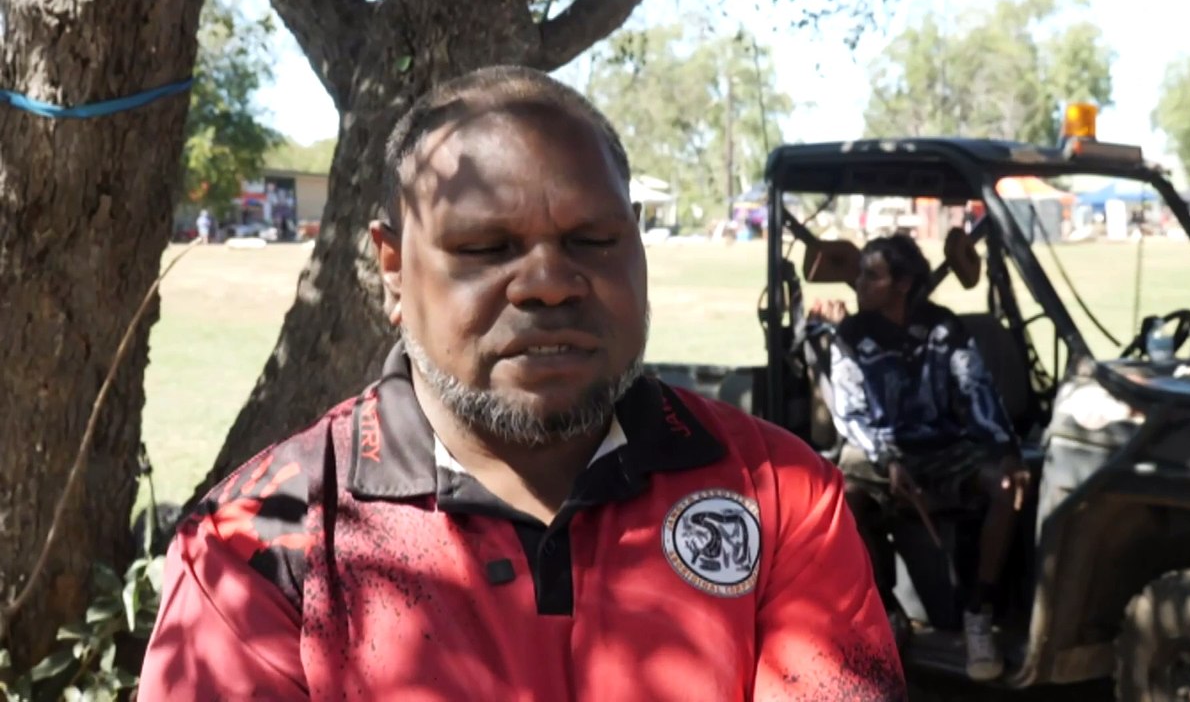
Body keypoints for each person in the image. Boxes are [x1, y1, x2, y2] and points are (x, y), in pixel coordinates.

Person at [138, 66, 905, 701]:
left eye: (592, 239)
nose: (547, 282)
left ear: (635, 243)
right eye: (486, 247)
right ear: (394, 269)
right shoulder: (257, 543)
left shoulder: (776, 492)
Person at [808, 234, 1029, 683]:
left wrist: (1007, 452)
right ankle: (886, 611)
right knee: (842, 497)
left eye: (872, 276)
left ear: (903, 283)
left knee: (1007, 486)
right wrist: (888, 459)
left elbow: (977, 391)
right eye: (861, 274)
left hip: (945, 450)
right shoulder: (852, 335)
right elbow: (849, 413)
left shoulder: (943, 328)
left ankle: (978, 613)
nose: (860, 284)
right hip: (878, 451)